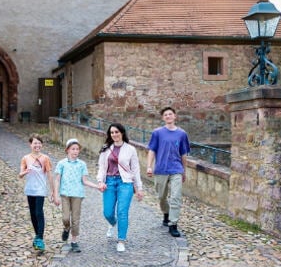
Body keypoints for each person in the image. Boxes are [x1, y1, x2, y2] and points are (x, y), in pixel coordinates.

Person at [96, 123, 144, 253]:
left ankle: (121, 240)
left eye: (116, 132)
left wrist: (139, 188)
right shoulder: (106, 148)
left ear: (122, 133)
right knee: (107, 213)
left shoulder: (130, 149)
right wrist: (100, 181)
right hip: (109, 183)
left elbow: (135, 170)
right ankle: (112, 223)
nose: (114, 135)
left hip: (125, 183)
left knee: (122, 212)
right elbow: (101, 167)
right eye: (112, 133)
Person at [146, 107, 190, 238]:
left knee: (176, 197)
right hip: (161, 169)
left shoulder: (182, 134)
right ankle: (166, 212)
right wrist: (149, 166)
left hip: (176, 169)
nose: (168, 116)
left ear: (175, 116)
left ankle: (173, 224)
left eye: (170, 114)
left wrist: (184, 171)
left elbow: (184, 153)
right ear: (163, 118)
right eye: (165, 114)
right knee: (161, 196)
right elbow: (152, 150)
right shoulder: (157, 133)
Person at [53, 138, 99, 253]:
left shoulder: (82, 164)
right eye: (73, 149)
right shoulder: (61, 163)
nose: (75, 151)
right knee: (65, 217)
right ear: (67, 150)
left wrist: (97, 186)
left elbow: (85, 181)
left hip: (77, 195)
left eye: (77, 149)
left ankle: (74, 241)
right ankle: (66, 228)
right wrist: (55, 195)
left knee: (75, 219)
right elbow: (57, 180)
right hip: (64, 194)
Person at [19, 134, 55, 252]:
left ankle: (40, 238)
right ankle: (37, 237)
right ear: (31, 145)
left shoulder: (45, 158)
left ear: (42, 145)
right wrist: (25, 172)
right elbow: (20, 175)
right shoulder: (25, 158)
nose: (37, 145)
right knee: (33, 214)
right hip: (29, 189)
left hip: (40, 190)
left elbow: (50, 176)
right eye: (35, 143)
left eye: (39, 143)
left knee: (39, 212)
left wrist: (53, 191)